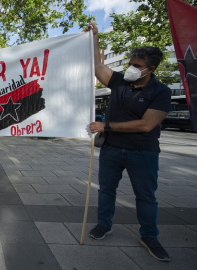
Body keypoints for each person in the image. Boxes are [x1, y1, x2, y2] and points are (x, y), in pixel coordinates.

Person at [86, 22, 171, 262]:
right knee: (106, 190)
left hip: (142, 153)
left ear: (150, 69)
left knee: (145, 196)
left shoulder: (161, 92)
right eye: (130, 64)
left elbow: (147, 124)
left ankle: (149, 236)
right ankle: (104, 225)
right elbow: (98, 67)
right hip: (112, 149)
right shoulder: (120, 81)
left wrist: (107, 126)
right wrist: (95, 37)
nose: (131, 68)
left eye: (137, 65)